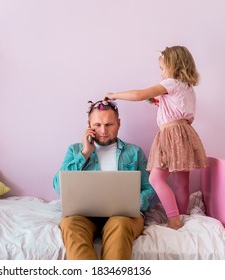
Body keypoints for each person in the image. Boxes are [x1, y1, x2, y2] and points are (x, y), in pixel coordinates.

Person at [105, 45, 208, 230]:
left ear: (174, 66)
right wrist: (159, 103)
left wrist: (115, 95)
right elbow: (177, 109)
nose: (161, 72)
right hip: (185, 133)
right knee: (181, 181)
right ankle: (182, 216)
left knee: (155, 179)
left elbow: (139, 95)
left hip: (171, 133)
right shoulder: (187, 88)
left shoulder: (171, 83)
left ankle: (174, 220)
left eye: (162, 68)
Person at [52, 99, 156, 260]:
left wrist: (133, 202)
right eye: (97, 125)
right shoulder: (75, 150)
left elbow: (149, 189)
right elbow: (59, 187)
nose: (103, 130)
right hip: (84, 215)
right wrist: (85, 153)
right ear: (89, 125)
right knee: (70, 225)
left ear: (119, 123)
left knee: (120, 226)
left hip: (123, 216)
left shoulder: (134, 152)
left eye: (109, 125)